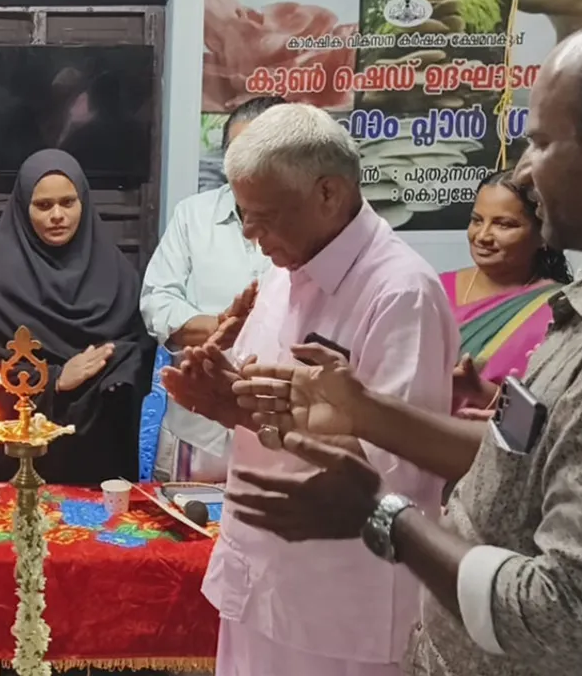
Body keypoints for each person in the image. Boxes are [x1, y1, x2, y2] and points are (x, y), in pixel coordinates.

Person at [229, 18, 582, 676]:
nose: (525, 171)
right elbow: (522, 459)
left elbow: (570, 617)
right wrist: (364, 409)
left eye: (541, 141)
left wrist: (382, 515)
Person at [160, 103, 458, 676]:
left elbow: (398, 466)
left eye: (264, 217)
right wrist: (227, 400)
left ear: (328, 194)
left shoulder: (400, 293)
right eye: (243, 216)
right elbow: (270, 408)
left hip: (337, 600)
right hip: (258, 573)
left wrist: (272, 419)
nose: (251, 236)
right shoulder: (283, 271)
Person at [0, 149, 155, 485]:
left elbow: (141, 350)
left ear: (83, 203)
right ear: (23, 208)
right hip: (18, 450)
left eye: (68, 202)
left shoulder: (117, 273)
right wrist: (54, 379)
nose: (57, 215)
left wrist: (114, 366)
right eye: (43, 205)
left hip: (98, 454)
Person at [140, 96, 278, 481]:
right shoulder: (194, 216)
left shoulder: (309, 227)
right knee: (183, 518)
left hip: (279, 429)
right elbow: (157, 303)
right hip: (198, 430)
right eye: (236, 154)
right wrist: (221, 325)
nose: (245, 166)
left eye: (259, 153)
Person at [444, 169, 572, 412]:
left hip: (482, 436)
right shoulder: (433, 288)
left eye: (504, 224)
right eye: (477, 220)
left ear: (544, 235)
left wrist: (481, 392)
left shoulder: (560, 310)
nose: (482, 236)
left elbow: (554, 417)